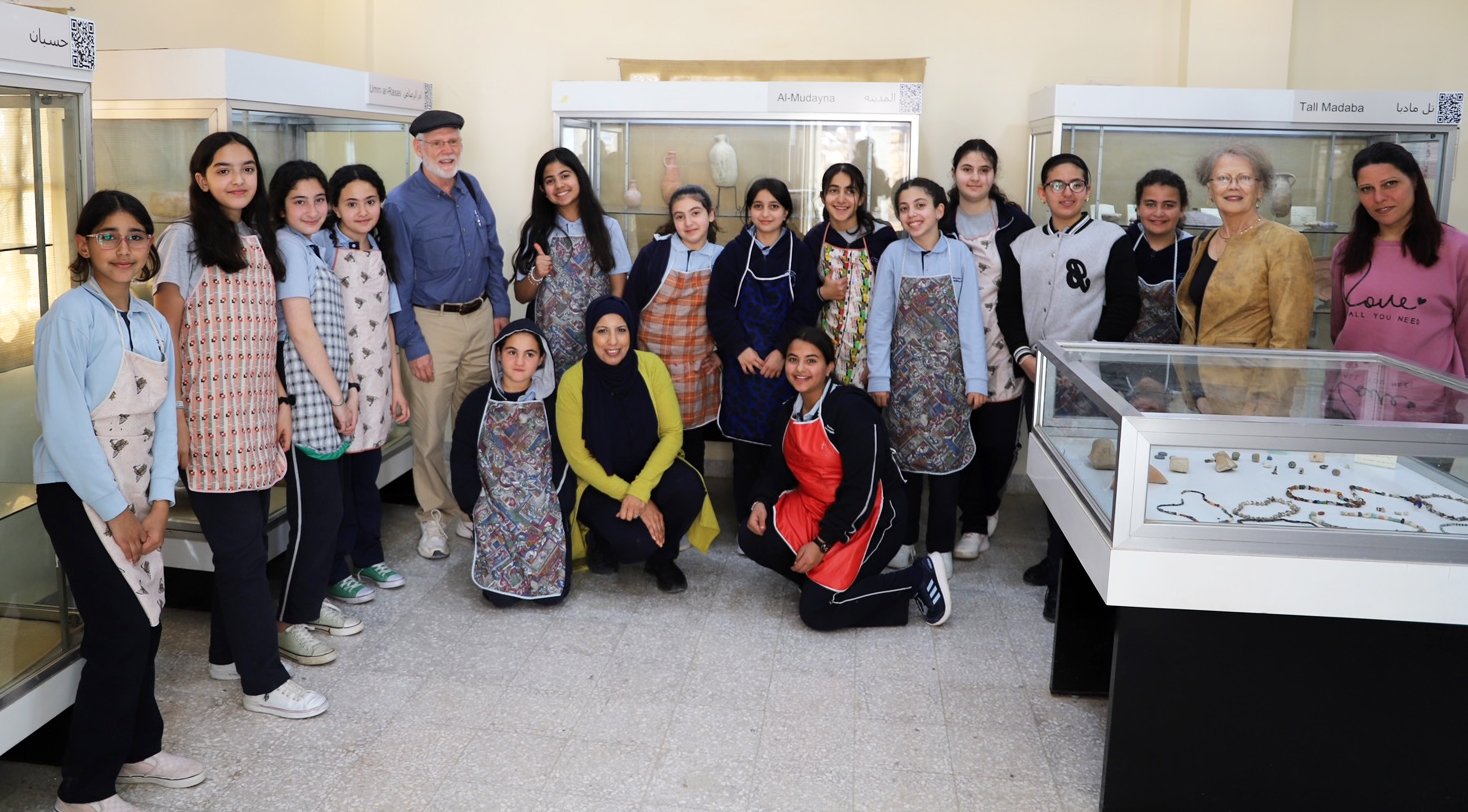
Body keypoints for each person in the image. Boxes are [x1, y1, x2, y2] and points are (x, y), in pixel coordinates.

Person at [35, 190, 207, 812]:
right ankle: (84, 790)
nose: (123, 248)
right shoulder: (69, 318)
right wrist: (116, 510)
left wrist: (161, 503)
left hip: (139, 495)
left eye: (136, 236)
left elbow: (166, 419)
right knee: (120, 630)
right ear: (84, 246)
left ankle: (140, 746)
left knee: (149, 621)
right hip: (79, 494)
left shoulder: (153, 321)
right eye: (108, 236)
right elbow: (63, 425)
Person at [154, 132, 327, 717]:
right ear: (201, 179)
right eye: (222, 169)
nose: (237, 179)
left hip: (254, 412)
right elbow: (166, 337)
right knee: (242, 557)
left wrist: (281, 399)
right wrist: (175, 416)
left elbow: (265, 336)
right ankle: (264, 683)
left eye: (247, 169)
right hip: (207, 418)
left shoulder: (258, 238)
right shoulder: (183, 239)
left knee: (249, 545)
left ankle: (227, 654)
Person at [999, 153, 1140, 621]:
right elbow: (1008, 308)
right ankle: (1056, 555)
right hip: (1038, 373)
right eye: (1056, 185)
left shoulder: (1110, 240)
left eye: (1076, 184)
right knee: (1049, 469)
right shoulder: (1022, 245)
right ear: (1043, 192)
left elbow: (1124, 304)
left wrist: (1087, 358)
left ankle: (1068, 574)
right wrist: (1023, 355)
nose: (1066, 193)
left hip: (1086, 377)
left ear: (1087, 191)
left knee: (1082, 473)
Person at [739, 327, 952, 630]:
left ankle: (917, 577)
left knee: (816, 613)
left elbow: (861, 491)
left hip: (873, 515)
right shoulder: (789, 411)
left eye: (811, 361)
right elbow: (776, 469)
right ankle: (828, 587)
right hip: (817, 506)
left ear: (828, 367)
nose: (800, 369)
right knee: (752, 537)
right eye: (793, 359)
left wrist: (822, 544)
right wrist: (760, 501)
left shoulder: (851, 409)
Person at [385, 109, 510, 560]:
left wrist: (500, 309)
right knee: (430, 429)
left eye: (453, 141)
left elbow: (493, 252)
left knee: (475, 422)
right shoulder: (399, 204)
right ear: (418, 148)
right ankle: (433, 516)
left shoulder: (472, 188)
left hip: (479, 318)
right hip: (430, 323)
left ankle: (469, 509)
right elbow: (397, 282)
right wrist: (412, 343)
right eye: (437, 143)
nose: (447, 150)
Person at [867, 177, 988, 578]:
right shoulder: (892, 255)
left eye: (921, 205)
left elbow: (970, 320)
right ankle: (902, 542)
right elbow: (880, 321)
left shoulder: (958, 256)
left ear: (940, 210)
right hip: (903, 383)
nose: (912, 214)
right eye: (904, 208)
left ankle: (939, 550)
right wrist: (879, 378)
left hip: (948, 382)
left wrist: (976, 382)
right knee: (904, 465)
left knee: (946, 469)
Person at [557, 296, 720, 592]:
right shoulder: (573, 381)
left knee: (689, 488)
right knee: (633, 544)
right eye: (602, 331)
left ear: (631, 332)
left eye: (621, 330)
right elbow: (578, 458)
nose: (612, 341)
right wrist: (634, 499)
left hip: (648, 471)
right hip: (600, 483)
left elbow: (673, 433)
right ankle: (599, 538)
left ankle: (662, 558)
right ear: (589, 333)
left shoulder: (651, 366)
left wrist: (641, 491)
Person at [269, 160, 366, 656]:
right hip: (307, 397)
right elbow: (301, 330)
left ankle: (307, 601)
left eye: (318, 200)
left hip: (326, 390)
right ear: (282, 208)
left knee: (327, 512)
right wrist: (335, 395)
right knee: (312, 515)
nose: (311, 210)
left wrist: (348, 388)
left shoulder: (313, 246)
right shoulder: (286, 245)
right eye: (298, 201)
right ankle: (289, 622)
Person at [941, 139, 1035, 559]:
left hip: (1003, 345)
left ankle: (988, 502)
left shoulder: (1016, 223)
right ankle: (973, 523)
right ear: (955, 173)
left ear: (994, 175)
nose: (974, 177)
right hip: (949, 348)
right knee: (960, 437)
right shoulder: (939, 219)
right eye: (966, 168)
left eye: (983, 169)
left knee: (996, 443)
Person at [707, 178, 820, 523]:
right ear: (749, 211)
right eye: (758, 206)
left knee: (783, 444)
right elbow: (719, 306)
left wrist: (781, 352)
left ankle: (778, 519)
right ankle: (745, 518)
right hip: (744, 366)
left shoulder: (799, 252)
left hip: (784, 366)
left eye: (774, 206)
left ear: (786, 211)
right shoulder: (735, 252)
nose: (766, 213)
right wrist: (739, 349)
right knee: (745, 449)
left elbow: (805, 308)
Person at [1329, 142, 1468, 422]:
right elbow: (1339, 328)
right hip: (1349, 405)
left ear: (1415, 181)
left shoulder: (1457, 250)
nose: (1379, 197)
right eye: (1367, 189)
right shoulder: (1347, 251)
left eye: (1391, 183)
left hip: (1425, 413)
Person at [322, 164, 411, 601]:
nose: (362, 211)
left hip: (377, 380)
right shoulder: (323, 250)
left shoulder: (380, 248)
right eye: (351, 203)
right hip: (340, 379)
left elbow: (388, 323)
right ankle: (337, 567)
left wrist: (396, 386)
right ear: (334, 207)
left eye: (370, 202)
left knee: (365, 480)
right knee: (338, 485)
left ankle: (369, 556)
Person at [1178, 143, 1313, 415]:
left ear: (1260, 189)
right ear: (1210, 189)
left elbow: (1290, 336)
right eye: (1224, 178)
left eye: (1244, 178)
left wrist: (1266, 401)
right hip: (1202, 395)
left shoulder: (1284, 242)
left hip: (1251, 401)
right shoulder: (1203, 242)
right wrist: (1195, 393)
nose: (1233, 186)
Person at [450, 320, 575, 606]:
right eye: (512, 352)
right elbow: (462, 455)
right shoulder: (476, 403)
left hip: (543, 511)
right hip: (495, 509)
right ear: (498, 354)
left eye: (529, 354)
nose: (520, 362)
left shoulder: (555, 404)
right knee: (499, 599)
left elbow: (566, 456)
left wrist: (556, 501)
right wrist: (476, 503)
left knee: (551, 597)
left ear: (541, 359)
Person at [624, 184, 724, 473]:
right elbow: (631, 306)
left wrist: (723, 355)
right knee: (650, 437)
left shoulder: (723, 258)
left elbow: (731, 314)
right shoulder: (654, 253)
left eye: (695, 213)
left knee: (692, 442)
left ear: (711, 215)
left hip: (697, 366)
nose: (688, 222)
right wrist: (629, 358)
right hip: (652, 361)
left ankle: (693, 505)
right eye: (679, 216)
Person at [511, 147, 633, 377]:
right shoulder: (536, 231)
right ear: (542, 189)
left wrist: (610, 335)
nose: (559, 185)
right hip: (551, 345)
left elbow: (618, 291)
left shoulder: (608, 228)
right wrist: (537, 273)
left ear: (579, 177)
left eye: (565, 175)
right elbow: (521, 295)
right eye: (550, 180)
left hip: (598, 341)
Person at [802, 163, 898, 388]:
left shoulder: (882, 236)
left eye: (850, 191)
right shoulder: (815, 238)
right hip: (825, 358)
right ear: (823, 196)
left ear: (862, 198)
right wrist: (822, 293)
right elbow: (802, 299)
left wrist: (879, 363)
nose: (841, 199)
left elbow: (895, 302)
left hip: (870, 357)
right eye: (834, 190)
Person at [1117, 169, 1196, 411]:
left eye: (1169, 205)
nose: (1159, 213)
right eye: (1150, 204)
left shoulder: (1194, 252)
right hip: (1117, 364)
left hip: (1175, 370)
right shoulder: (1120, 244)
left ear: (1182, 210)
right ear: (1138, 208)